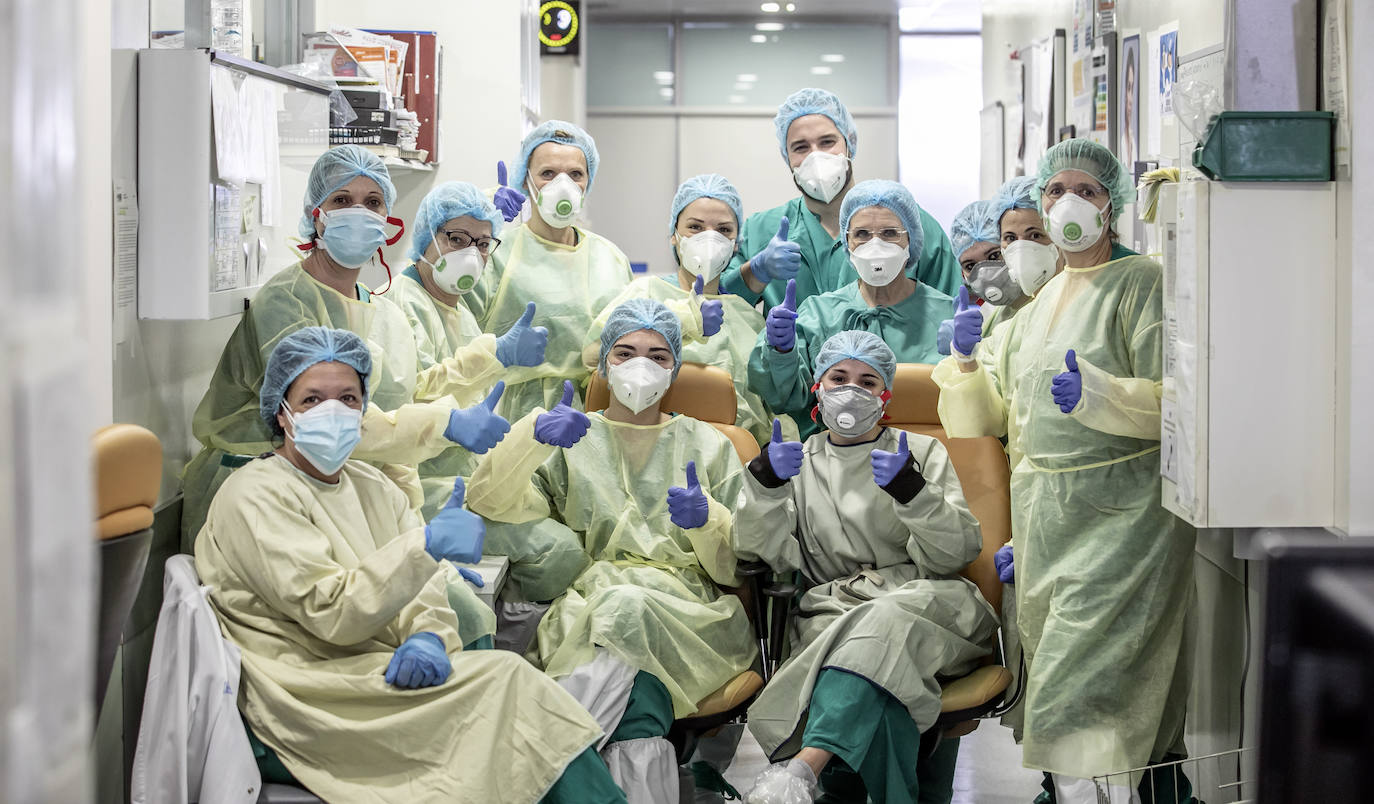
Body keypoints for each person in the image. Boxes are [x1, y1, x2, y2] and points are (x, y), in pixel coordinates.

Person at [194, 327, 626, 804]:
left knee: (512, 704)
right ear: (281, 410)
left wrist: (428, 636)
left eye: (347, 397)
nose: (332, 411)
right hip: (303, 699)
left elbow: (424, 592)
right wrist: (426, 545)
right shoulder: (255, 495)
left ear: (364, 411)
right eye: (312, 399)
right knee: (510, 692)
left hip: (366, 674)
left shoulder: (371, 485)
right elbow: (330, 612)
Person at [932, 139, 1199, 804]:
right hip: (1047, 519)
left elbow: (1179, 402)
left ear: (1113, 202)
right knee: (1068, 686)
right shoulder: (1042, 299)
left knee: (1093, 689)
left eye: (1085, 189)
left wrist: (1100, 396)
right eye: (1054, 191)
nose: (1067, 203)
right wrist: (965, 365)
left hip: (1124, 520)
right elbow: (988, 416)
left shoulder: (1142, 284)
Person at [467, 299, 758, 803]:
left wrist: (707, 522)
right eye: (625, 352)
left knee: (627, 606)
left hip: (691, 613)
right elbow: (490, 501)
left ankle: (529, 765)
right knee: (636, 707)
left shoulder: (710, 444)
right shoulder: (572, 436)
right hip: (589, 606)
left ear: (676, 367)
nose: (640, 365)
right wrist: (532, 439)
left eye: (658, 355)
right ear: (602, 363)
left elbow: (737, 567)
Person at [182, 146, 514, 550]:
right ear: (314, 215)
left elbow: (393, 435)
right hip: (262, 488)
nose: (359, 212)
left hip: (345, 491)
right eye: (342, 200)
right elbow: (323, 418)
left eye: (373, 202)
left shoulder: (386, 315)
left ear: (386, 219)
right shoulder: (286, 302)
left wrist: (410, 529)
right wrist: (441, 424)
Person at [737, 331, 998, 804]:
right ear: (818, 386)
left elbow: (954, 555)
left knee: (887, 621)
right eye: (838, 377)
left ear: (887, 395)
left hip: (930, 603)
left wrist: (913, 493)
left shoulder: (919, 452)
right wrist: (766, 486)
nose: (851, 390)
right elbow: (766, 552)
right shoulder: (797, 461)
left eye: (868, 381)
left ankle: (803, 768)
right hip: (834, 610)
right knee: (885, 682)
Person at [392, 181, 590, 604]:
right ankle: (516, 641)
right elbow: (411, 394)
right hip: (421, 484)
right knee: (557, 551)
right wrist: (497, 354)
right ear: (428, 235)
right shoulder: (399, 302)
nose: (471, 253)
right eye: (457, 239)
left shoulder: (456, 307)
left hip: (457, 472)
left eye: (483, 243)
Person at [585, 173, 796, 446]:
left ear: (737, 243)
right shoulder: (645, 293)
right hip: (644, 448)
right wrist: (683, 320)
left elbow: (769, 408)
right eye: (695, 227)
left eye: (723, 230)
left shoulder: (745, 317)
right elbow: (592, 358)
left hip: (729, 463)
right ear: (674, 234)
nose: (710, 240)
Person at [718, 88, 961, 311]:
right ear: (787, 157)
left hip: (895, 359)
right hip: (792, 359)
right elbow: (720, 306)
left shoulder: (910, 225)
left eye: (827, 142)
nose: (816, 156)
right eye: (801, 147)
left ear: (849, 144)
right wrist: (755, 272)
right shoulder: (763, 230)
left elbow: (950, 308)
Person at [456, 120, 635, 422]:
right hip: (513, 418)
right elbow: (447, 319)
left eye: (575, 174)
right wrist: (476, 218)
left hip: (599, 416)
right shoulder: (497, 252)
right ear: (526, 180)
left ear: (588, 182)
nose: (561, 185)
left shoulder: (611, 258)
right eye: (548, 174)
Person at [748, 179, 953, 439]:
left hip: (932, 459)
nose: (875, 245)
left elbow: (973, 408)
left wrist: (968, 361)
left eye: (890, 233)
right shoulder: (819, 314)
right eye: (862, 235)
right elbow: (786, 400)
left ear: (911, 239)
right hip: (838, 457)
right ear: (847, 242)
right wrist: (781, 351)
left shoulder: (947, 315)